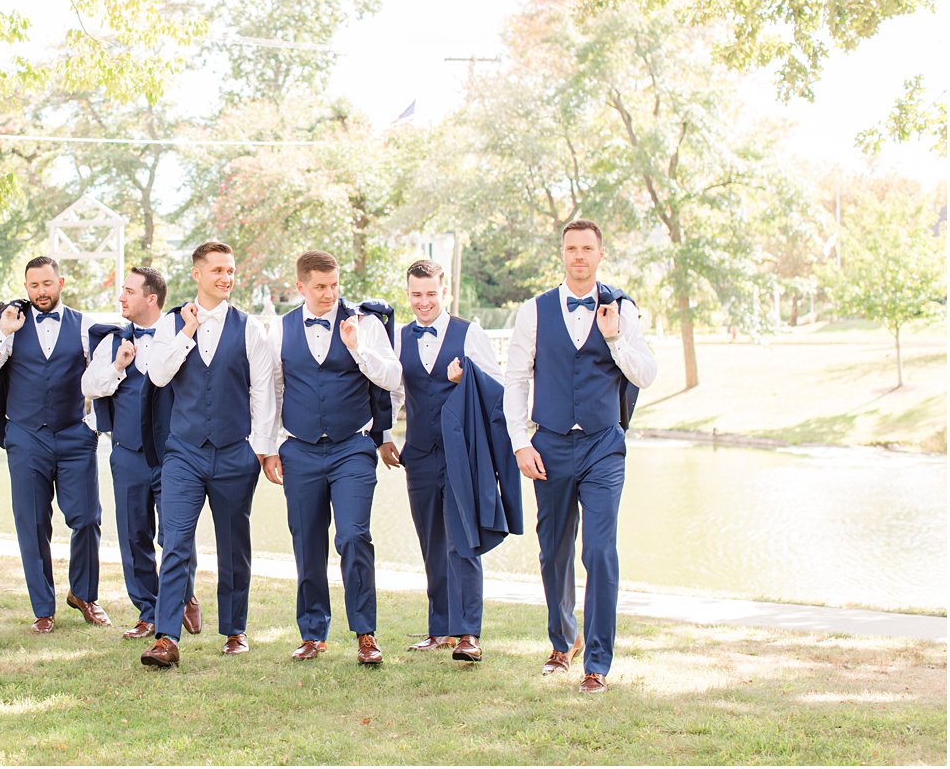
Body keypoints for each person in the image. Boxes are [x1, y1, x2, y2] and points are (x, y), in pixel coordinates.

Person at [504, 219, 657, 694]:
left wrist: (613, 338)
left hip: (602, 446)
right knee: (553, 550)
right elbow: (515, 379)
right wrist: (519, 442)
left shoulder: (621, 309)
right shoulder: (533, 311)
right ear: (562, 253)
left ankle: (597, 663)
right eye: (571, 248)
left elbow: (647, 374)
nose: (579, 256)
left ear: (600, 254)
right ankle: (561, 641)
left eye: (587, 248)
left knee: (599, 551)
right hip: (547, 443)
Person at [253, 250, 401, 665]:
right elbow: (273, 390)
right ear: (300, 287)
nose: (329, 294)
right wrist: (268, 448)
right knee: (307, 542)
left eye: (334, 285)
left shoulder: (365, 323)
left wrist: (356, 348)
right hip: (298, 449)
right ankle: (313, 633)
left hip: (352, 446)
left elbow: (392, 377)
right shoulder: (279, 330)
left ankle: (365, 634)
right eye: (319, 287)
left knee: (354, 536)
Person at [137, 241, 275, 668]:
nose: (225, 278)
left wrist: (260, 450)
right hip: (185, 454)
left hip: (236, 453)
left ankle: (234, 630)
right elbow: (157, 375)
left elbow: (263, 393)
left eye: (230, 271)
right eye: (216, 270)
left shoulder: (250, 328)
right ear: (197, 274)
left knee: (234, 544)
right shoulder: (170, 324)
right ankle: (166, 637)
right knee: (175, 541)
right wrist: (185, 334)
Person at [0, 256, 110, 633]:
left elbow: (105, 376)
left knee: (87, 518)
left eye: (47, 284)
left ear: (60, 282)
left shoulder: (85, 326)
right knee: (32, 523)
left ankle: (84, 594)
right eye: (33, 286)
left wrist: (93, 426)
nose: (41, 292)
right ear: (26, 286)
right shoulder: (11, 324)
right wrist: (2, 331)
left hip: (73, 434)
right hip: (27, 435)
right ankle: (43, 609)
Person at [390, 258, 506, 661]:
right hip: (418, 453)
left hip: (461, 454)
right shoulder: (398, 336)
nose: (423, 302)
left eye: (431, 294)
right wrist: (385, 434)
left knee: (463, 541)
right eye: (416, 294)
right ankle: (439, 628)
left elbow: (498, 389)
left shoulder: (469, 333)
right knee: (431, 542)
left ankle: (468, 633)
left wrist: (464, 378)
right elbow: (393, 392)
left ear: (445, 293)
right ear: (408, 294)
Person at [81, 265, 202, 640]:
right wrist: (119, 366)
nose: (122, 297)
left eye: (129, 291)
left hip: (174, 454)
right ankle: (148, 611)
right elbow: (89, 385)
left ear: (151, 298)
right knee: (134, 536)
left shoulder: (181, 335)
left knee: (176, 534)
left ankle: (183, 597)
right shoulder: (112, 341)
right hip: (128, 452)